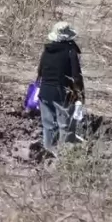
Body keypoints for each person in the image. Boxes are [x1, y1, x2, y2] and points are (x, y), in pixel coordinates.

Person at [35, 22, 85, 152]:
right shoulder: (70, 51)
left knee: (48, 126)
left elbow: (40, 72)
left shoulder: (47, 50)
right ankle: (64, 156)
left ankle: (48, 152)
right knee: (64, 126)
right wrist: (80, 97)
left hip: (45, 92)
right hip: (62, 94)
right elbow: (76, 76)